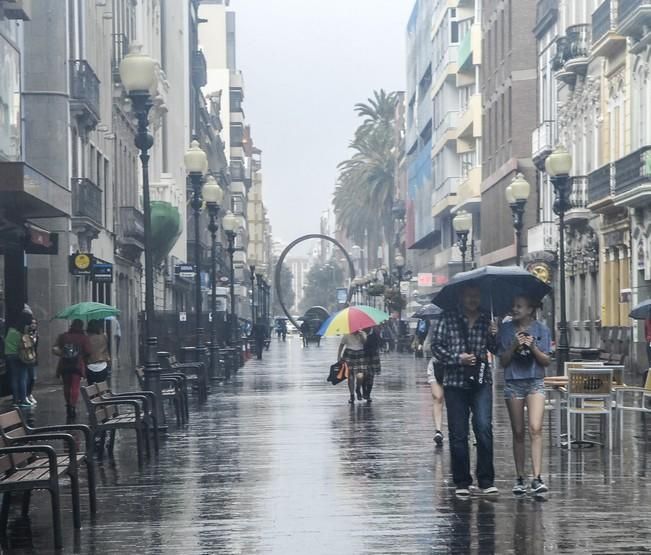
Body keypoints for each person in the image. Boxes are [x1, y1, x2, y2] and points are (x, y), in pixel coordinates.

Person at [431, 282, 498, 497]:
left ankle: (486, 480)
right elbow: (436, 348)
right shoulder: (448, 317)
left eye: (476, 296)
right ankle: (462, 481)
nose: (473, 300)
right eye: (469, 296)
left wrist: (494, 334)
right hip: (455, 382)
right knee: (458, 433)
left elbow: (495, 349)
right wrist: (457, 358)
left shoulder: (486, 319)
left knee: (483, 427)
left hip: (480, 381)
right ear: (461, 297)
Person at [497, 295, 551, 495]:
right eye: (513, 305)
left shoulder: (541, 330)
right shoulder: (506, 329)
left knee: (535, 428)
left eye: (519, 306)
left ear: (530, 309)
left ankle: (537, 477)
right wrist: (513, 345)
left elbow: (546, 361)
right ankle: (520, 477)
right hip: (513, 382)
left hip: (535, 381)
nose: (515, 309)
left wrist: (533, 347)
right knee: (518, 431)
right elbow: (502, 361)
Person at [53, 319, 91, 419]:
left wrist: (63, 353)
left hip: (64, 364)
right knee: (75, 386)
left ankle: (68, 405)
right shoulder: (83, 338)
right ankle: (73, 406)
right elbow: (88, 351)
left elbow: (56, 348)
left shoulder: (63, 336)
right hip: (77, 365)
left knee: (66, 385)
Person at [3, 312, 34, 407]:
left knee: (14, 378)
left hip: (9, 355)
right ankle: (24, 399)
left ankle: (15, 399)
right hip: (20, 356)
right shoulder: (22, 332)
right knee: (23, 377)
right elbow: (28, 345)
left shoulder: (11, 330)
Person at [423, 318, 445, 446]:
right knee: (438, 397)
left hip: (457, 366)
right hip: (437, 365)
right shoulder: (435, 324)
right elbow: (427, 346)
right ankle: (438, 431)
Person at [337, 330, 367, 404]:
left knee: (360, 375)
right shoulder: (347, 334)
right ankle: (352, 395)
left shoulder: (362, 333)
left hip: (360, 353)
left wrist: (361, 336)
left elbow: (365, 343)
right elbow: (341, 345)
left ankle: (357, 388)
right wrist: (339, 356)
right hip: (349, 354)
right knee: (350, 376)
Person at [86, 319, 111, 385]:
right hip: (103, 365)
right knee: (102, 388)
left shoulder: (87, 338)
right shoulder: (104, 336)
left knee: (91, 388)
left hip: (90, 366)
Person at [362, 326, 382, 402]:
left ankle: (368, 394)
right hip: (364, 356)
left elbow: (379, 343)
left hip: (373, 356)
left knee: (371, 375)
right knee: (364, 375)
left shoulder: (376, 332)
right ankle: (364, 391)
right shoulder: (362, 333)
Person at [25, 317, 39, 405]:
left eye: (35, 323)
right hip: (26, 357)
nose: (33, 325)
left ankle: (29, 394)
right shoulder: (26, 334)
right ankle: (26, 395)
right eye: (32, 323)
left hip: (34, 357)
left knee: (33, 378)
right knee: (27, 377)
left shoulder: (36, 334)